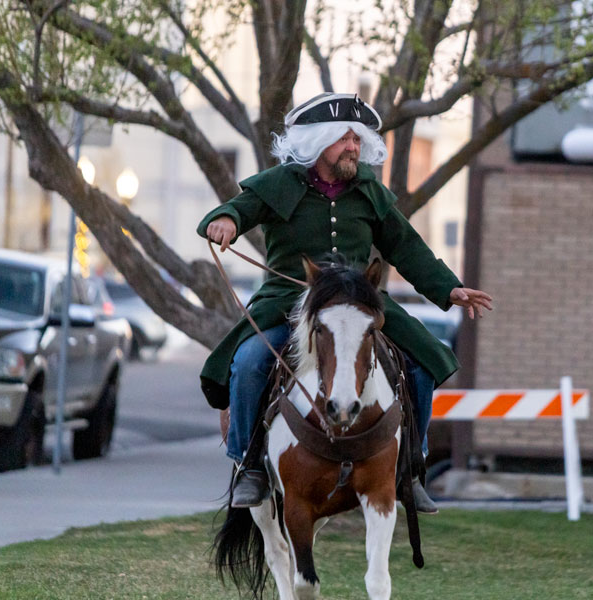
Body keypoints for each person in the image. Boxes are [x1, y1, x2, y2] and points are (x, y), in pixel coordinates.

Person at [197, 92, 493, 512]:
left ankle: (410, 468)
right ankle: (249, 466)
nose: (354, 147)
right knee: (247, 362)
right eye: (345, 139)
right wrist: (225, 220)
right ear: (319, 142)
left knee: (426, 361)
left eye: (357, 139)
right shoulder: (278, 185)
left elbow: (407, 247)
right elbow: (237, 209)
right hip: (291, 300)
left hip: (359, 302)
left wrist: (448, 289)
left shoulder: (370, 191)